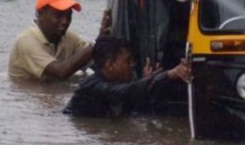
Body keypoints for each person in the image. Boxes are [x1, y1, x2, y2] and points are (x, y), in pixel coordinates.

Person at [63, 37, 191, 117]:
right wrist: (167, 75)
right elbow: (125, 92)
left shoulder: (117, 83)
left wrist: (147, 83)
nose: (133, 65)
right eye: (128, 61)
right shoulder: (92, 87)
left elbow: (139, 111)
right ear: (109, 64)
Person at [8, 0, 105, 81]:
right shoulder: (26, 41)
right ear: (41, 14)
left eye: (68, 15)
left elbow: (97, 60)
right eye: (58, 15)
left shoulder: (68, 38)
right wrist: (97, 43)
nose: (65, 21)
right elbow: (60, 72)